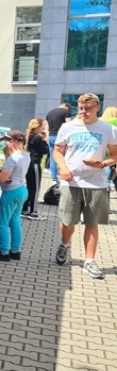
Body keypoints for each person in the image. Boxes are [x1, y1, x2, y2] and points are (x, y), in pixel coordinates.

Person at [52, 93, 117, 279]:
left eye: (87, 108)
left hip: (96, 183)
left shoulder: (108, 130)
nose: (83, 111)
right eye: (80, 108)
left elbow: (115, 155)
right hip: (70, 181)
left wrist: (103, 164)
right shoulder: (68, 127)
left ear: (98, 107)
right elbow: (57, 152)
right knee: (67, 221)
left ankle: (89, 261)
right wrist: (63, 166)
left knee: (92, 223)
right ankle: (64, 245)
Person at [0, 130, 30, 261]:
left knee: (1, 221)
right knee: (15, 221)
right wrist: (6, 155)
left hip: (11, 192)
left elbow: (3, 179)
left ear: (13, 141)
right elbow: (15, 171)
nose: (5, 143)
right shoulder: (25, 155)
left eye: (7, 140)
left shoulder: (13, 158)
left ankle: (4, 252)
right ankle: (15, 251)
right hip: (21, 189)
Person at [22, 118, 50, 220]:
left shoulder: (28, 135)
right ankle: (33, 211)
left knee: (29, 187)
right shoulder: (37, 137)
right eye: (42, 126)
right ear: (38, 127)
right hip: (34, 163)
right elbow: (45, 151)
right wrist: (45, 140)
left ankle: (24, 209)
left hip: (28, 162)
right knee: (35, 188)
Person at [45, 102, 71, 184]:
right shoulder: (65, 112)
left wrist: (47, 136)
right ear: (66, 107)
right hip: (61, 137)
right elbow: (69, 124)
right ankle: (64, 177)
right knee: (64, 158)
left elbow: (46, 127)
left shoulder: (50, 113)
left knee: (53, 158)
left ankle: (54, 180)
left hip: (51, 136)